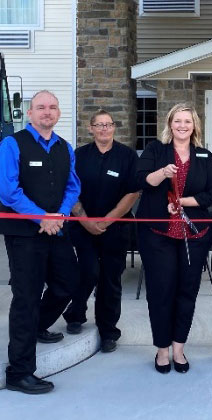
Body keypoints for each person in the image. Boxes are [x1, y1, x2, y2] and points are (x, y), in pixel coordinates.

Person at [0, 90, 81, 394]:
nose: (47, 112)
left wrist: (59, 214)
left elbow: (73, 186)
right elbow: (7, 191)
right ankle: (19, 371)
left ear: (58, 114)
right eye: (41, 107)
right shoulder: (12, 144)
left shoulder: (64, 147)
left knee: (69, 283)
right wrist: (41, 216)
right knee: (26, 298)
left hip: (55, 229)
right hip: (24, 235)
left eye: (53, 107)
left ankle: (39, 325)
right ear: (29, 113)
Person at [135, 103, 212, 374]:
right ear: (170, 124)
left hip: (193, 235)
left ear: (195, 126)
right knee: (160, 293)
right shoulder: (155, 150)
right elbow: (141, 180)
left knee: (187, 292)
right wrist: (163, 173)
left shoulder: (204, 156)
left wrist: (181, 201)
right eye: (178, 121)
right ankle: (161, 350)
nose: (183, 126)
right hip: (158, 235)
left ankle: (179, 348)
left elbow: (211, 195)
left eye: (188, 121)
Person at [57, 109, 139, 354]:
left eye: (108, 124)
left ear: (114, 128)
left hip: (116, 228)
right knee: (88, 271)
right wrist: (85, 221)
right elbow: (70, 191)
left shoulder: (127, 156)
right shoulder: (78, 155)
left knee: (111, 279)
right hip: (82, 227)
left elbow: (133, 193)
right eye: (99, 125)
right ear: (90, 128)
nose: (104, 129)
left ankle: (108, 331)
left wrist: (107, 220)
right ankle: (75, 313)